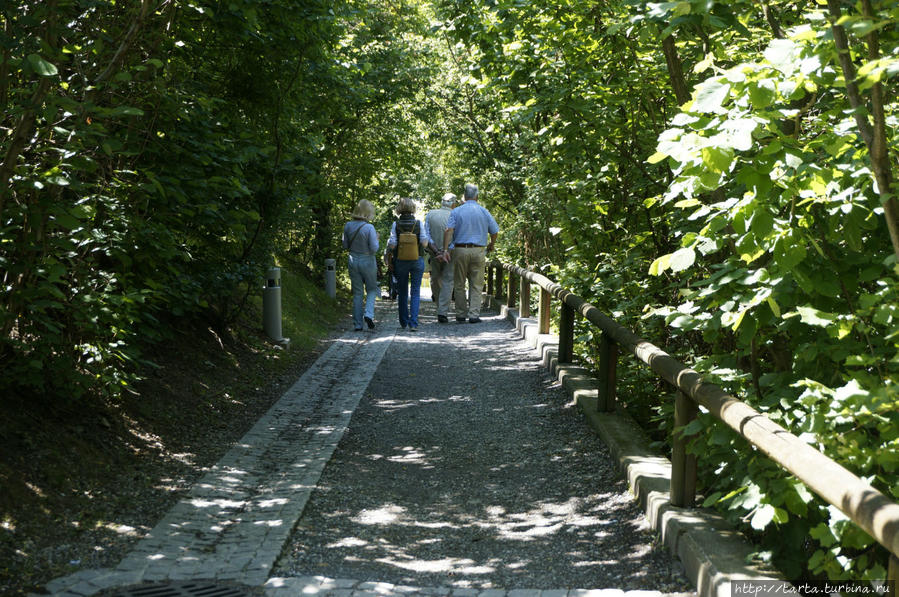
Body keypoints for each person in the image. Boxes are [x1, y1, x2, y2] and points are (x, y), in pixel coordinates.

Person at [441, 183, 498, 324]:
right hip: (478, 250)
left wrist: (445, 250)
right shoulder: (484, 211)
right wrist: (492, 244)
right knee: (476, 284)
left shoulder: (456, 211)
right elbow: (494, 231)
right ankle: (473, 315)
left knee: (459, 283)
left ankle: (460, 314)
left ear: (465, 197)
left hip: (460, 250)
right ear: (477, 196)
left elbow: (449, 231)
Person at [387, 197, 434, 331]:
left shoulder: (396, 224)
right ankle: (413, 323)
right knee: (415, 291)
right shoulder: (419, 223)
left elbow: (392, 243)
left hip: (400, 261)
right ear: (413, 208)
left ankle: (403, 321)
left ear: (399, 209)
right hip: (416, 259)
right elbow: (425, 242)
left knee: (402, 291)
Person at [342, 199, 379, 331]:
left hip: (353, 259)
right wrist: (377, 239)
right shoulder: (369, 228)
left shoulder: (348, 226)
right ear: (368, 213)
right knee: (371, 289)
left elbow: (345, 245)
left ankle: (357, 324)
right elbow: (374, 248)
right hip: (367, 260)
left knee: (357, 293)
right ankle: (368, 314)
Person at [424, 193, 457, 323]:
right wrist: (446, 251)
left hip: (434, 253)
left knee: (435, 278)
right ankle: (442, 311)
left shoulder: (431, 214)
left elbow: (426, 234)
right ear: (453, 203)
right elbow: (457, 236)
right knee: (448, 280)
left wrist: (437, 251)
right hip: (450, 253)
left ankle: (439, 307)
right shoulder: (456, 215)